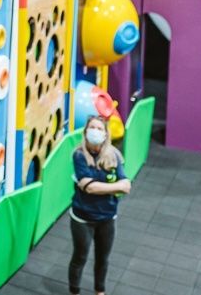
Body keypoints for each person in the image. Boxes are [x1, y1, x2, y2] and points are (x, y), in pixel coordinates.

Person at [69, 115, 131, 295]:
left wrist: (95, 187)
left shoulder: (114, 155)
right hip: (82, 219)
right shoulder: (79, 155)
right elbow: (89, 188)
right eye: (92, 128)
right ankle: (74, 291)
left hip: (108, 218)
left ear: (105, 134)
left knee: (103, 259)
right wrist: (113, 187)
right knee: (80, 257)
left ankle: (100, 291)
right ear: (86, 132)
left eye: (99, 129)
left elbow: (126, 186)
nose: (95, 131)